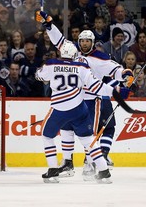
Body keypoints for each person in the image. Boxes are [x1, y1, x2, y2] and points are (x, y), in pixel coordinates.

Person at [37, 10, 134, 179]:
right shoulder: (73, 52)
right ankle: (68, 163)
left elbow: (115, 69)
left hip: (91, 100)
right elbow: (59, 40)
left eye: (87, 41)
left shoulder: (99, 57)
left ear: (93, 42)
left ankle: (90, 163)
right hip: (75, 100)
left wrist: (124, 74)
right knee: (67, 131)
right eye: (81, 41)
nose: (84, 44)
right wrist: (50, 26)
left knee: (89, 134)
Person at [35, 37, 119, 184]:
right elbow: (97, 87)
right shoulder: (82, 68)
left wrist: (42, 72)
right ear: (75, 55)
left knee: (47, 135)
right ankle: (104, 171)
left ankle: (53, 169)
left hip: (60, 109)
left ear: (61, 53)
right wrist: (117, 92)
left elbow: (39, 76)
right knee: (88, 140)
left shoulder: (52, 64)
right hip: (80, 110)